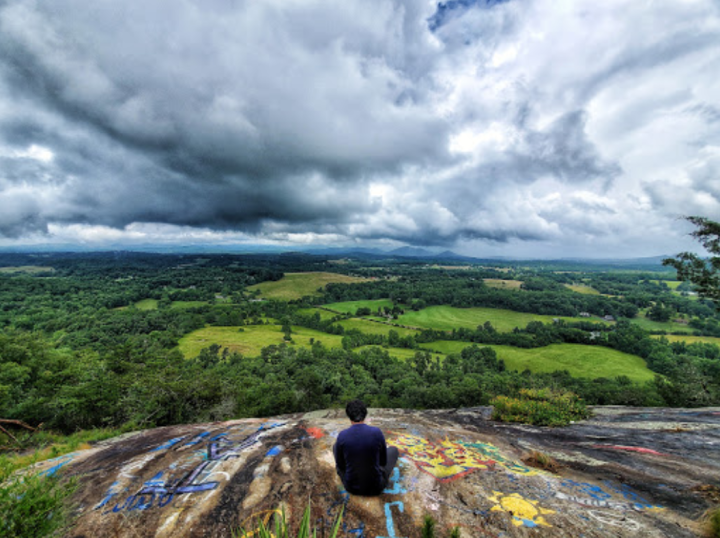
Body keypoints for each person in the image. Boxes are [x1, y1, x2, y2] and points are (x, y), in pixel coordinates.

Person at [333, 399, 399, 496]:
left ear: (349, 416)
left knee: (336, 447)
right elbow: (383, 462)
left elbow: (341, 466)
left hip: (351, 487)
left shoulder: (342, 435)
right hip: (376, 487)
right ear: (365, 414)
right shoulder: (376, 432)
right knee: (393, 450)